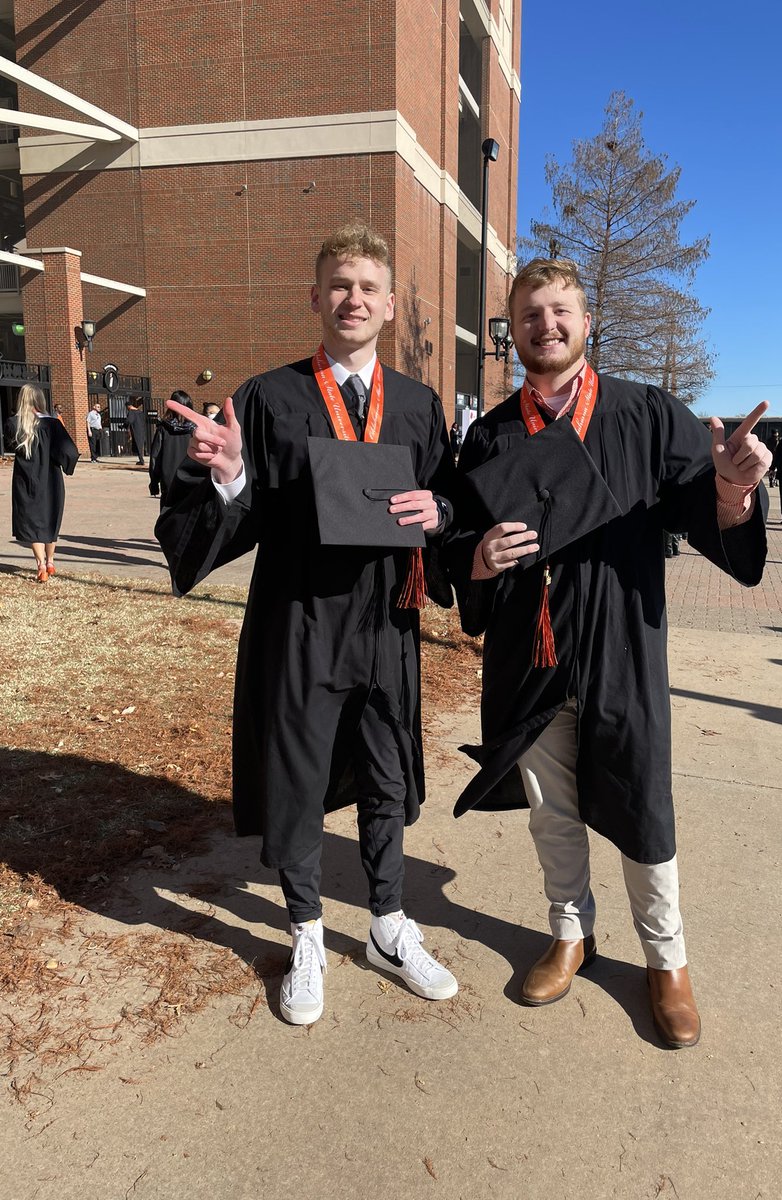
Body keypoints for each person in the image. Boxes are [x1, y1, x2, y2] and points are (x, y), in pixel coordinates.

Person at [448, 258, 769, 1049]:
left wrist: (732, 491)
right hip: (529, 648)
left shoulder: (647, 413)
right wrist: (477, 558)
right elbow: (456, 534)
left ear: (587, 323)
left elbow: (703, 509)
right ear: (513, 331)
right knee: (553, 809)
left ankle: (667, 960)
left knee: (641, 802)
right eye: (529, 314)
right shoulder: (489, 434)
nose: (545, 325)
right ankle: (570, 934)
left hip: (622, 640)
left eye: (560, 311)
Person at [155, 223, 459, 1026]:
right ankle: (308, 932)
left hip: (387, 620)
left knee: (387, 772)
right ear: (315, 297)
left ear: (391, 306)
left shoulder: (423, 406)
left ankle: (390, 921)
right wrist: (228, 476)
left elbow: (451, 502)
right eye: (338, 284)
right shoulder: (267, 398)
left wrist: (444, 509)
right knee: (296, 776)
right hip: (298, 618)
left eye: (367, 287)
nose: (352, 299)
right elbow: (234, 515)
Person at [5, 384, 78, 581]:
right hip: (50, 479)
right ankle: (51, 561)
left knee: (32, 520)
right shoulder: (53, 425)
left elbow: (11, 445)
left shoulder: (14, 423)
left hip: (25, 479)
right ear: (40, 400)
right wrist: (67, 466)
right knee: (50, 518)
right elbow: (70, 451)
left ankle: (41, 565)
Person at [148, 391, 196, 506]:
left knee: (167, 520)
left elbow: (155, 457)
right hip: (191, 481)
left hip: (169, 482)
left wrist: (154, 482)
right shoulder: (196, 430)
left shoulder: (163, 429)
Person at [125, 398, 147, 465]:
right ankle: (141, 459)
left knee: (138, 445)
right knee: (140, 445)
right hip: (142, 430)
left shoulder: (131, 412)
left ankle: (141, 460)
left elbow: (129, 421)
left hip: (136, 430)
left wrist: (124, 426)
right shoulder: (140, 412)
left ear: (128, 406)